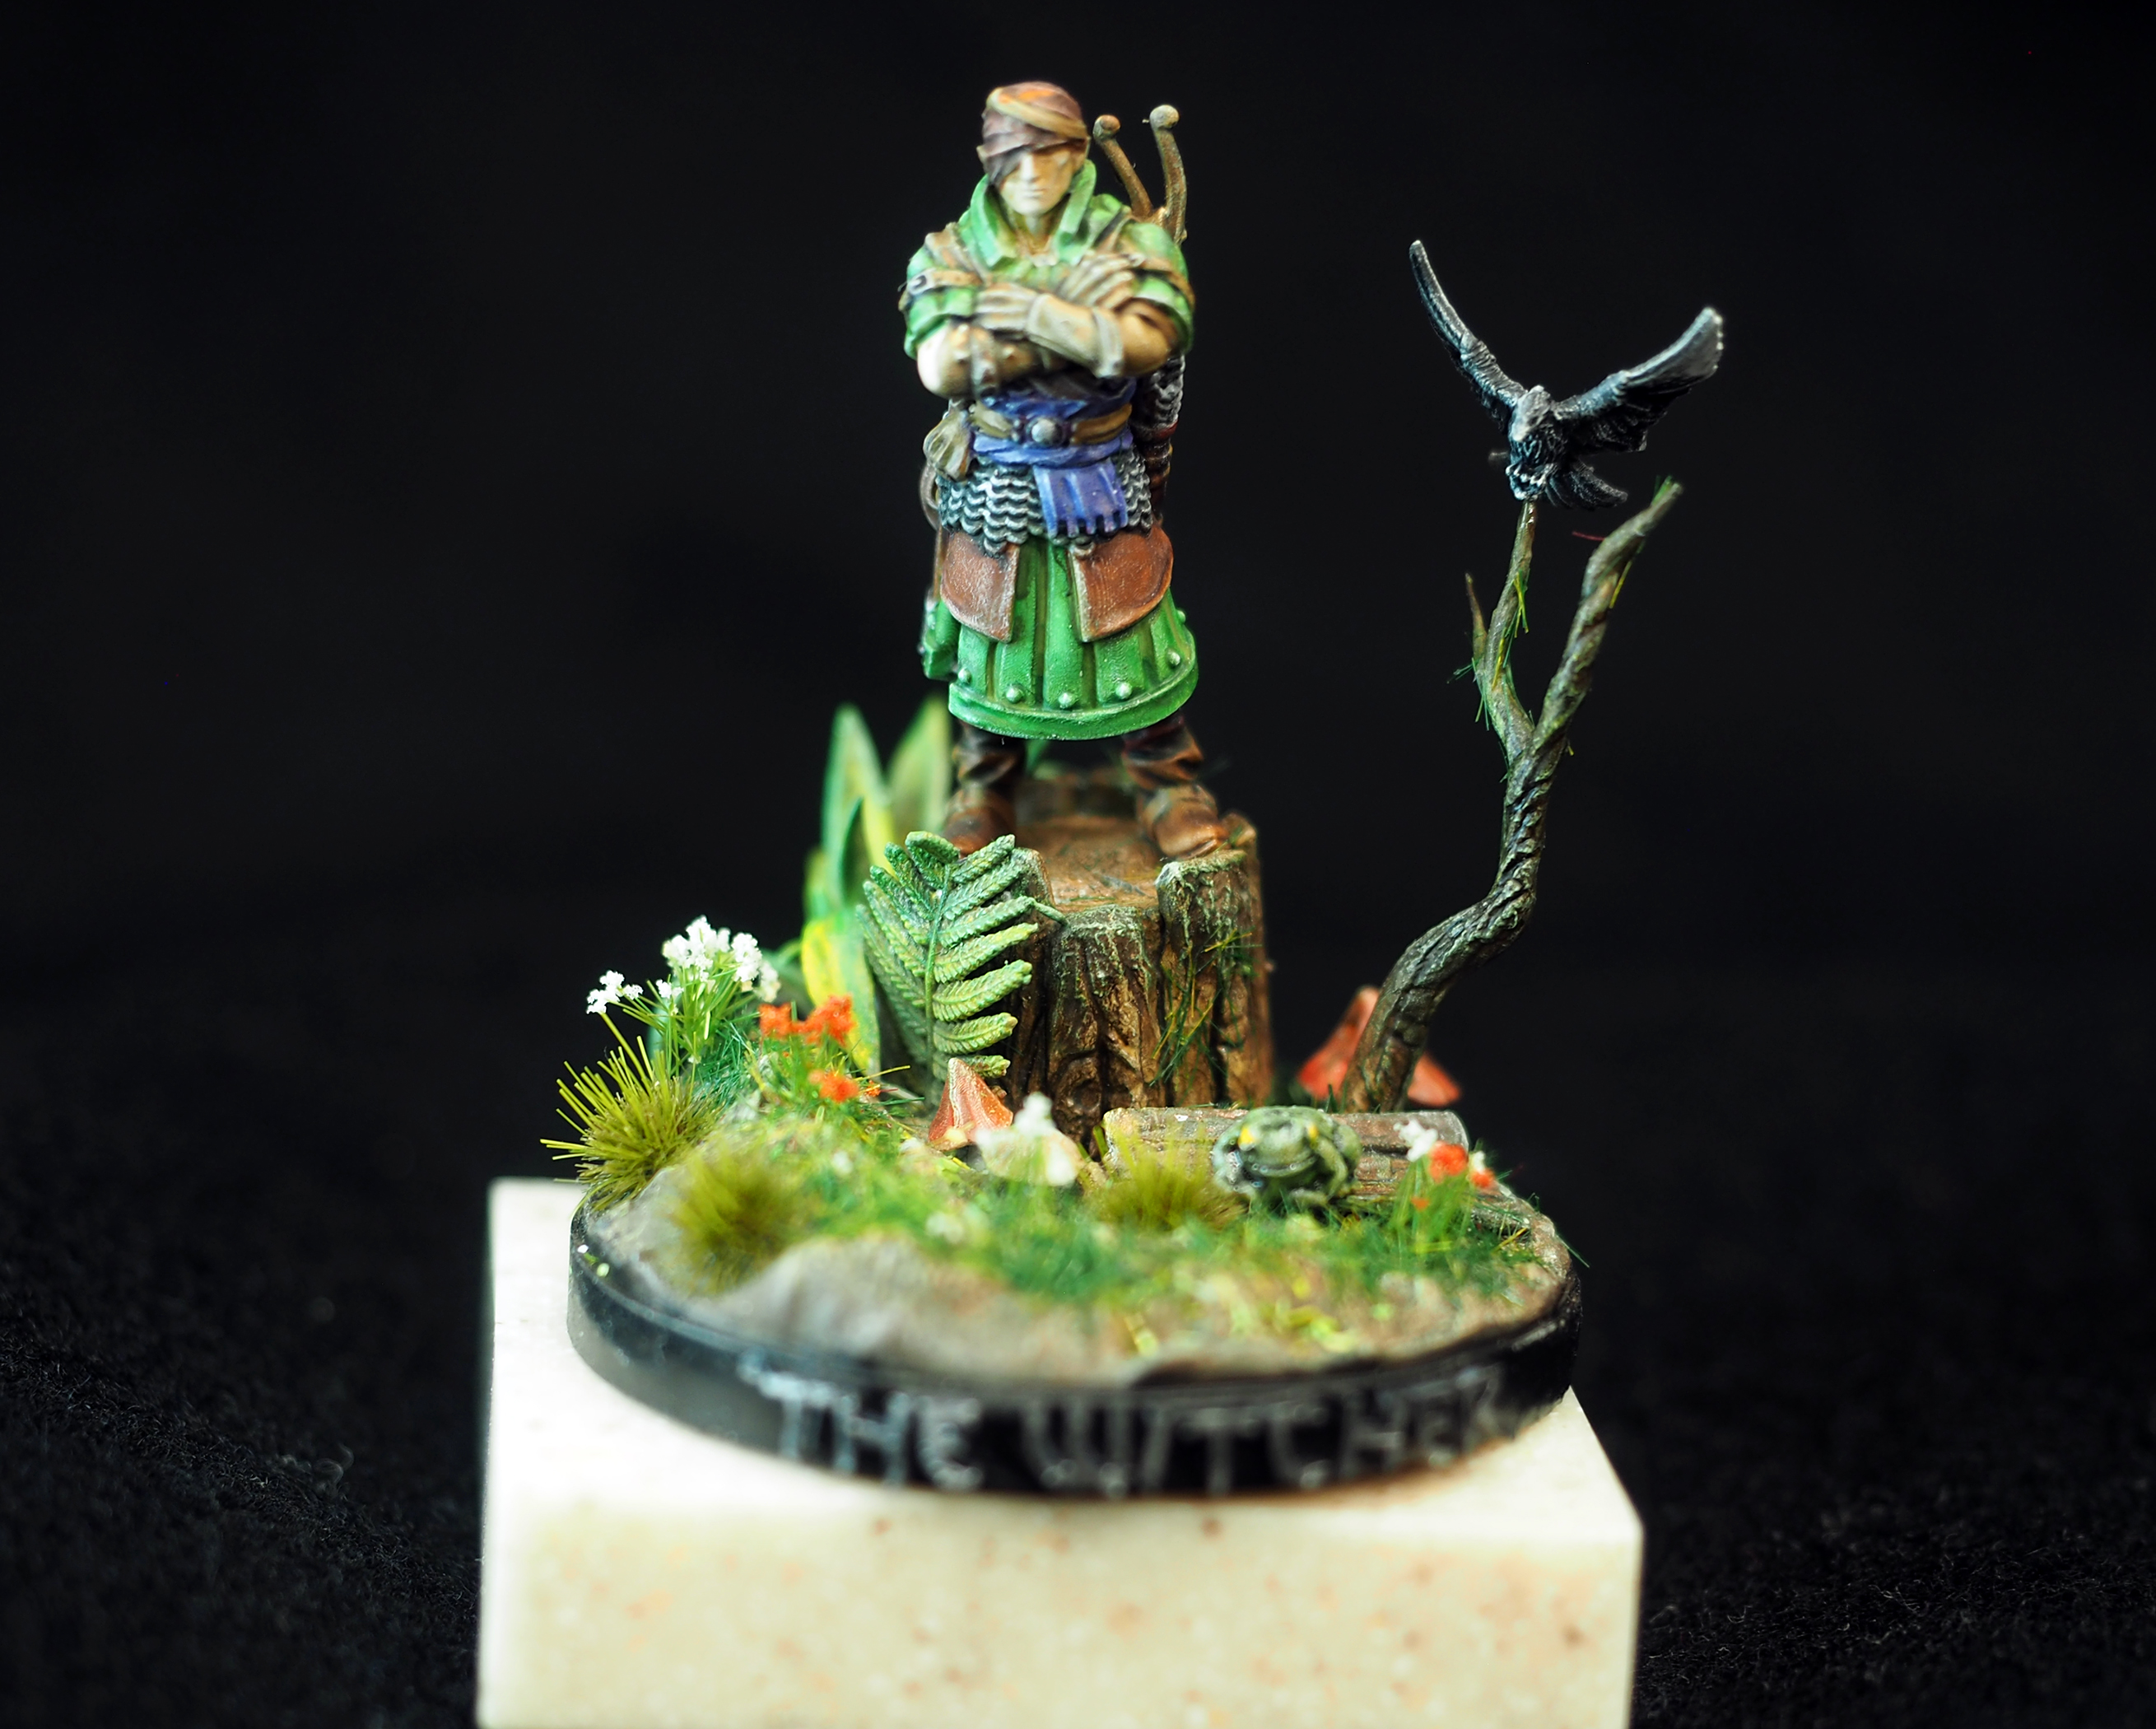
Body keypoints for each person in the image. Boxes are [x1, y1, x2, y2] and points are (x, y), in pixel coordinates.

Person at [901, 81, 1228, 860]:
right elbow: (943, 363)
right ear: (987, 159)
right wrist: (1082, 326)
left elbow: (1150, 339)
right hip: (997, 473)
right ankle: (983, 787)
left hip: (1100, 471)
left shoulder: (1128, 243)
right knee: (990, 634)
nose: (1029, 172)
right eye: (1010, 156)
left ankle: (1166, 782)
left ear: (1078, 153)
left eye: (1046, 152)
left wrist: (1020, 313)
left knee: (1128, 624)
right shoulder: (951, 252)